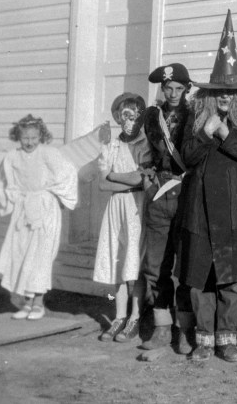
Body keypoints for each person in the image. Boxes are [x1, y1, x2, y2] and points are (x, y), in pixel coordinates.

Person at [177, 10, 237, 362]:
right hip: (198, 212)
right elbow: (186, 157)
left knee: (230, 280)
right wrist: (205, 132)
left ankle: (227, 341)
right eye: (218, 91)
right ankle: (204, 339)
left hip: (232, 214)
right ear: (209, 94)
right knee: (200, 279)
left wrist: (226, 135)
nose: (225, 96)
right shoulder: (196, 120)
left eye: (231, 91)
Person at [0, 114, 78, 321]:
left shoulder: (49, 154)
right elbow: (9, 184)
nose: (30, 142)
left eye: (34, 138)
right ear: (18, 137)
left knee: (40, 256)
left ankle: (38, 303)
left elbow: (68, 173)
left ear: (41, 136)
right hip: (23, 210)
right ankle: (26, 302)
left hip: (45, 209)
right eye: (25, 138)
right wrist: (16, 200)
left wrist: (58, 198)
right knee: (22, 254)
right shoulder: (12, 157)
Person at [138, 63, 195, 356]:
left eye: (178, 88)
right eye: (168, 88)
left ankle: (185, 330)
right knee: (155, 265)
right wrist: (147, 179)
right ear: (162, 88)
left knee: (184, 266)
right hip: (159, 193)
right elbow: (143, 150)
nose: (173, 93)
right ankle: (161, 327)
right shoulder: (152, 116)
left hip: (184, 193)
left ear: (187, 89)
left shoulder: (194, 114)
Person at [93, 93, 152, 342]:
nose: (130, 120)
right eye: (125, 115)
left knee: (134, 261)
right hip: (116, 207)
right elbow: (102, 184)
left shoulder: (145, 145)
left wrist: (114, 175)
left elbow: (142, 179)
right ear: (118, 117)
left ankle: (135, 317)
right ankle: (119, 316)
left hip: (137, 206)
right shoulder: (111, 146)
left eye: (135, 115)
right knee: (118, 260)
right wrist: (127, 179)